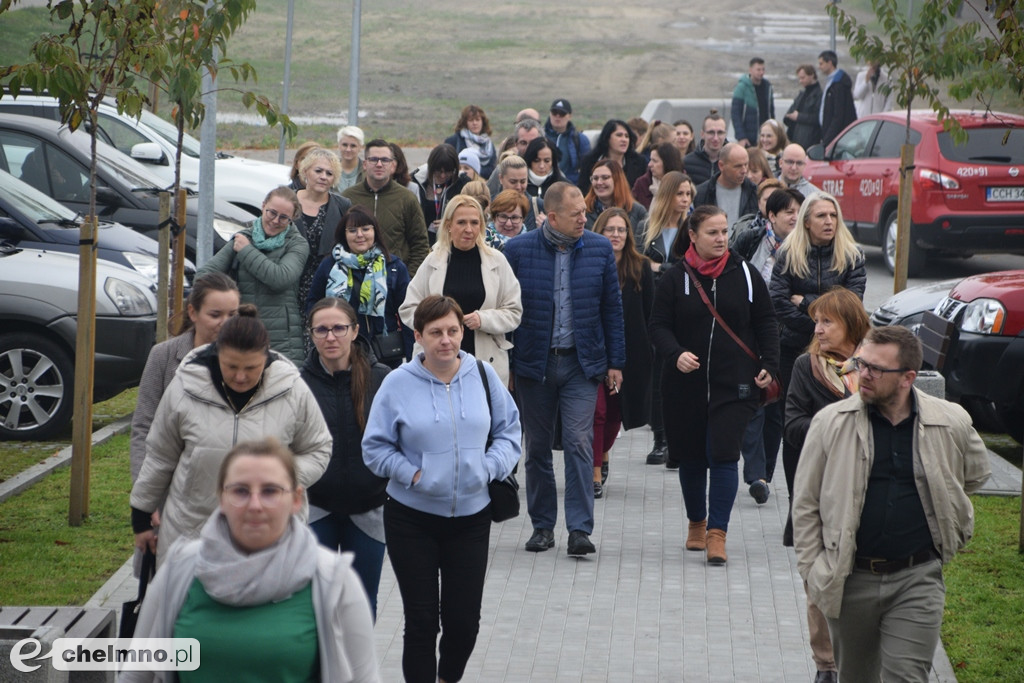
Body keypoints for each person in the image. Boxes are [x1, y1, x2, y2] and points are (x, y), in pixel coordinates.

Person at [793, 325, 991, 683]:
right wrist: (814, 570)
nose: (862, 375)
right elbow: (805, 504)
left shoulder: (949, 421)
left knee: (906, 677)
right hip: (851, 580)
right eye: (860, 363)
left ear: (908, 377)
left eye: (875, 369)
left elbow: (975, 475)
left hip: (917, 578)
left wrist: (950, 509)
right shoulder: (830, 424)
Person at [124, 437, 379, 683]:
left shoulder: (333, 581)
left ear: (296, 499)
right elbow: (137, 674)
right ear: (221, 498)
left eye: (270, 491)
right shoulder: (181, 569)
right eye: (240, 491)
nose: (255, 505)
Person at [362, 295, 521, 683]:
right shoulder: (397, 384)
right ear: (418, 336)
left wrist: (488, 468)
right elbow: (375, 446)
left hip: (471, 518)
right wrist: (411, 474)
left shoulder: (483, 376)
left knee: (463, 623)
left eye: (452, 331)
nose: (445, 340)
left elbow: (509, 433)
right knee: (420, 622)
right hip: (411, 519)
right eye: (435, 333)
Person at [130, 307, 331, 563]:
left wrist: (278, 480)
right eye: (231, 366)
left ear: (267, 359)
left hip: (272, 539)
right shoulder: (184, 387)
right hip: (192, 537)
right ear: (216, 355)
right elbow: (159, 456)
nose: (240, 376)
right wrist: (141, 516)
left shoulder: (293, 390)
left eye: (251, 367)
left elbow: (318, 448)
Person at [648, 205, 779, 565]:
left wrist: (769, 363)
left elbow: (766, 321)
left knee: (724, 455)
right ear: (692, 236)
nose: (721, 239)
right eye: (713, 233)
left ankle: (717, 534)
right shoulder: (676, 278)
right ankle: (696, 523)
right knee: (690, 457)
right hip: (683, 386)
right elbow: (657, 326)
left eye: (724, 232)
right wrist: (675, 354)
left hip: (734, 384)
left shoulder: (746, 275)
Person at [503, 182, 625, 556]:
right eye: (576, 215)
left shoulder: (599, 249)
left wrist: (616, 363)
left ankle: (579, 529)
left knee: (577, 442)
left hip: (580, 363)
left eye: (584, 213)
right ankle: (542, 526)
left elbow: (612, 309)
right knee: (537, 446)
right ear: (552, 217)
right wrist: (508, 363)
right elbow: (507, 309)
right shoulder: (517, 251)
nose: (584, 219)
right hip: (534, 364)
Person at [784, 287, 870, 683]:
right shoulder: (807, 367)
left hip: (869, 489)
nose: (817, 329)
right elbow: (792, 426)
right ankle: (826, 665)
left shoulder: (875, 367)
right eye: (816, 321)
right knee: (819, 577)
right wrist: (837, 427)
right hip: (822, 488)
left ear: (851, 324)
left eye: (827, 321)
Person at [302, 298, 390, 620]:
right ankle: (320, 671)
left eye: (339, 328)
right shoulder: (298, 383)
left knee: (361, 606)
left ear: (354, 331)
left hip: (368, 509)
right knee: (314, 607)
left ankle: (357, 671)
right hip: (315, 509)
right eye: (321, 329)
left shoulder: (382, 378)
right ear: (310, 334)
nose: (330, 337)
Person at [400, 195, 523, 386]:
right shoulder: (433, 261)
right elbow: (408, 309)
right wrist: (438, 322)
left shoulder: (497, 261)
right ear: (449, 225)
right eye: (461, 222)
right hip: (438, 359)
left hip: (484, 360)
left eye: (475, 222)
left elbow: (514, 312)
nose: (469, 229)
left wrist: (483, 319)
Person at [130, 273, 240, 483]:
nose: (225, 323)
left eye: (232, 314)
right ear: (193, 312)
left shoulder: (252, 359)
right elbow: (144, 426)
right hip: (174, 483)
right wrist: (145, 491)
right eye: (215, 315)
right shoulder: (163, 355)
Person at [732, 187, 803, 506]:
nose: (794, 217)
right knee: (754, 401)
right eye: (787, 211)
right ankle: (756, 474)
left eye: (797, 211)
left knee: (776, 404)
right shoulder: (752, 240)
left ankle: (766, 472)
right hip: (749, 333)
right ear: (770, 216)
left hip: (787, 337)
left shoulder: (804, 249)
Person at [197, 186, 309, 364]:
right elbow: (203, 277)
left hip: (282, 341)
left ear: (292, 218)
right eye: (271, 213)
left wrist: (246, 251)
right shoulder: (243, 237)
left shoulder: (297, 244)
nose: (275, 221)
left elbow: (280, 279)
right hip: (243, 333)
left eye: (283, 218)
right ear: (263, 206)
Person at [771, 191, 866, 395]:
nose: (829, 221)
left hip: (839, 349)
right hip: (793, 346)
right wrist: (820, 327)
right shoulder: (787, 253)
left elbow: (851, 305)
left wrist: (805, 302)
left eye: (833, 215)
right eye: (821, 216)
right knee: (794, 410)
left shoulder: (852, 255)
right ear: (806, 222)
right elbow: (778, 302)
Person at [590, 208, 654, 498]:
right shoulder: (588, 264)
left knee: (616, 412)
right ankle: (593, 472)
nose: (616, 235)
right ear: (599, 232)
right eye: (610, 229)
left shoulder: (640, 267)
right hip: (593, 350)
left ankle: (603, 453)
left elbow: (650, 314)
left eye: (621, 230)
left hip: (632, 353)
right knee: (597, 412)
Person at [636, 171, 695, 466]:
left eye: (688, 195)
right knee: (658, 374)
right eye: (680, 194)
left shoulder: (694, 227)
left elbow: (694, 264)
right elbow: (638, 263)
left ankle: (679, 438)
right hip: (655, 307)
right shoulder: (647, 227)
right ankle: (660, 440)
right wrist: (660, 267)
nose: (685, 200)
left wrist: (662, 266)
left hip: (686, 307)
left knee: (682, 374)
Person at [306, 206, 413, 367]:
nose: (360, 235)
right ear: (344, 234)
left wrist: (412, 359)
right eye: (352, 230)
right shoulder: (329, 265)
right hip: (342, 353)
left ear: (375, 231)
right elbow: (313, 304)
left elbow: (408, 314)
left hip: (385, 355)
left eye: (365, 229)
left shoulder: (394, 266)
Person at [342, 138, 430, 276]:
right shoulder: (347, 198)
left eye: (384, 160)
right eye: (373, 159)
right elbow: (338, 240)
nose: (379, 164)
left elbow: (420, 244)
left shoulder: (407, 199)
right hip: (354, 278)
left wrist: (408, 279)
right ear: (364, 164)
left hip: (394, 280)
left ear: (393, 165)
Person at [294, 148, 353, 331]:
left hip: (327, 284)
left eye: (329, 173)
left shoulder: (343, 205)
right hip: (292, 282)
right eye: (318, 171)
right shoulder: (288, 199)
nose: (323, 177)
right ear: (305, 172)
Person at [412, 143, 469, 244]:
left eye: (448, 172)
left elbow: (470, 213)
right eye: (438, 171)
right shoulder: (415, 180)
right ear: (431, 167)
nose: (443, 176)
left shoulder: (463, 183)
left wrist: (450, 223)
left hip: (451, 241)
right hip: (420, 241)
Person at [693, 143, 758, 229]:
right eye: (738, 166)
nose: (744, 170)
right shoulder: (702, 193)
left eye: (746, 164)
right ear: (721, 165)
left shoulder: (755, 192)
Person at [578, 119, 647, 195]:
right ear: (607, 138)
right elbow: (583, 191)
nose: (624, 140)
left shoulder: (640, 162)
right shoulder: (590, 161)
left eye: (627, 136)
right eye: (619, 135)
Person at [584, 159, 648, 232]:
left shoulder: (637, 211)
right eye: (595, 178)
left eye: (605, 177)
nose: (599, 182)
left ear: (617, 180)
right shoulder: (584, 211)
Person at [491, 154, 544, 231]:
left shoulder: (538, 206)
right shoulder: (489, 206)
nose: (518, 187)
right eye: (513, 182)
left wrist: (546, 229)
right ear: (501, 179)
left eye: (523, 181)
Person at [544, 98, 591, 185]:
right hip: (545, 185)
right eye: (554, 112)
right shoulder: (541, 137)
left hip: (571, 186)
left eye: (562, 113)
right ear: (550, 114)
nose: (557, 116)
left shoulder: (580, 139)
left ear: (569, 116)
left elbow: (588, 168)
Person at [444, 104, 498, 179]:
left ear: (483, 122)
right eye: (471, 120)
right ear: (465, 122)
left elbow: (492, 169)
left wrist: (474, 172)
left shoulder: (489, 144)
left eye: (477, 120)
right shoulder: (454, 141)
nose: (475, 123)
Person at [732, 57, 775, 148]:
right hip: (748, 139)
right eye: (758, 70)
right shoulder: (742, 88)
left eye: (763, 69)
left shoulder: (768, 87)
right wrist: (741, 137)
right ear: (750, 70)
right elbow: (736, 114)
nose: (761, 72)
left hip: (764, 138)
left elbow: (771, 112)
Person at [729, 177, 783, 250]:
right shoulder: (741, 227)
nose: (771, 203)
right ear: (759, 203)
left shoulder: (791, 230)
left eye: (776, 199)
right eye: (767, 199)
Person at [818, 50, 857, 146]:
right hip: (828, 132)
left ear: (830, 63)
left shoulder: (839, 84)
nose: (819, 67)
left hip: (837, 136)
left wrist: (828, 139)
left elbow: (838, 114)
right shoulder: (831, 82)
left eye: (821, 63)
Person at [632, 142, 685, 210]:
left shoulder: (683, 184)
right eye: (650, 160)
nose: (649, 164)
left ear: (667, 163)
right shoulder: (642, 184)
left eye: (655, 161)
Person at [784, 65, 823, 150]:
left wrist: (799, 117)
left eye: (803, 78)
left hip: (809, 140)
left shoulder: (819, 96)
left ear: (812, 75)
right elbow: (789, 114)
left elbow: (818, 118)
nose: (800, 81)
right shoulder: (802, 95)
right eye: (799, 78)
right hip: (795, 137)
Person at [684, 112, 728, 186]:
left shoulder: (733, 162)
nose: (715, 138)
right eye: (711, 132)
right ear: (702, 134)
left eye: (720, 133)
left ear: (725, 134)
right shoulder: (687, 163)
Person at [336, 125, 366, 192]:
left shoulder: (367, 171)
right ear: (339, 145)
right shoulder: (330, 169)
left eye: (353, 146)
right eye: (344, 145)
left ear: (360, 148)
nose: (348, 149)